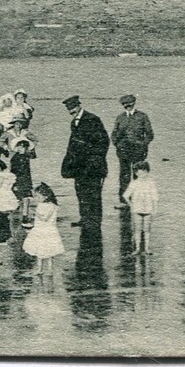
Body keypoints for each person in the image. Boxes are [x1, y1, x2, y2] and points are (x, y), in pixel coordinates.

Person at [60, 95, 109, 229]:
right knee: (81, 192)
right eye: (69, 109)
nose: (71, 111)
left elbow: (103, 141)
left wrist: (95, 159)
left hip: (93, 166)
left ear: (79, 106)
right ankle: (84, 218)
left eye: (73, 108)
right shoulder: (74, 122)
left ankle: (95, 221)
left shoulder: (93, 119)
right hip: (79, 166)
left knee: (93, 193)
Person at [111, 94, 155, 204]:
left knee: (139, 175)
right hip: (124, 151)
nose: (127, 107)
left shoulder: (142, 116)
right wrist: (117, 144)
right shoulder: (120, 118)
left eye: (129, 105)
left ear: (133, 104)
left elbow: (150, 134)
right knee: (124, 175)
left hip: (138, 151)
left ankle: (139, 199)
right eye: (125, 106)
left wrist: (143, 145)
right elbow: (114, 134)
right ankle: (124, 200)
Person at [22, 183, 65, 276]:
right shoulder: (41, 205)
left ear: (46, 196)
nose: (37, 199)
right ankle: (39, 269)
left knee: (49, 251)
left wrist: (35, 213)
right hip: (39, 229)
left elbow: (45, 218)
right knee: (39, 249)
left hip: (48, 230)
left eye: (38, 196)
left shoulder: (51, 206)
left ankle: (49, 270)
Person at [122, 162, 159, 255]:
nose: (141, 174)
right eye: (139, 172)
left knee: (147, 229)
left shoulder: (151, 183)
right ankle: (137, 248)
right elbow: (126, 195)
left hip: (148, 209)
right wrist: (131, 205)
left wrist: (155, 209)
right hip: (137, 210)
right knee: (137, 229)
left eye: (144, 172)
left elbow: (155, 197)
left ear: (147, 172)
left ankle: (147, 248)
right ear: (136, 173)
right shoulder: (134, 183)